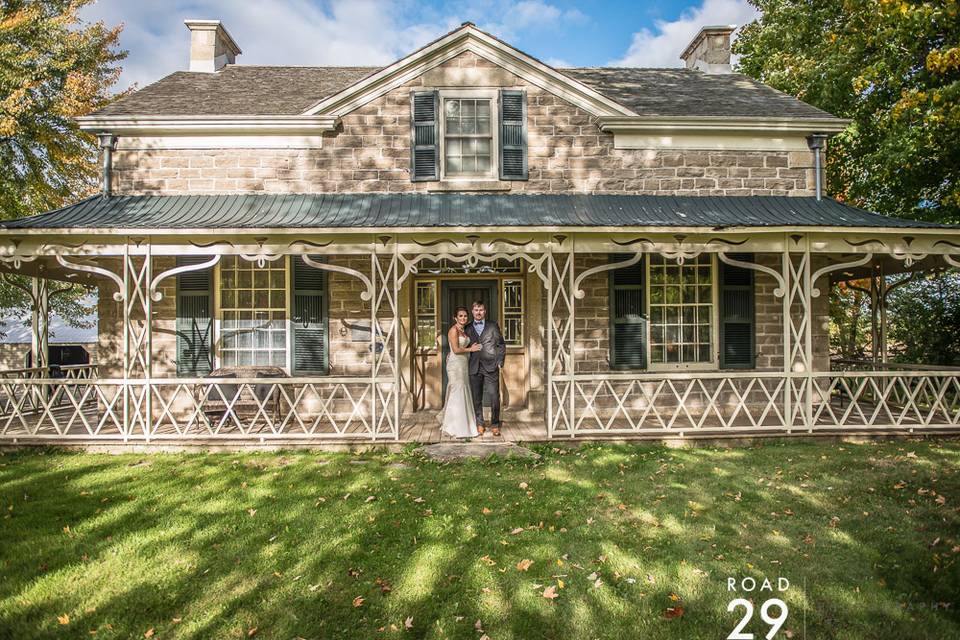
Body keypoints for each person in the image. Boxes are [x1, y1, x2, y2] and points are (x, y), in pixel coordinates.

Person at [438, 306, 482, 439]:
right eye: (460, 316)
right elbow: (456, 350)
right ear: (455, 318)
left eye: (465, 316)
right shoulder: (453, 330)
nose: (463, 318)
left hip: (463, 364)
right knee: (457, 391)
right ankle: (454, 426)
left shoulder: (463, 330)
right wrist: (471, 349)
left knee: (463, 390)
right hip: (455, 364)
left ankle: (465, 423)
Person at [464, 300, 506, 436]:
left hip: (491, 366)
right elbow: (461, 346)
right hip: (474, 366)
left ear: (485, 311)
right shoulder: (467, 327)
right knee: (477, 398)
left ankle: (495, 424)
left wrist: (500, 361)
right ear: (472, 312)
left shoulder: (493, 326)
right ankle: (480, 423)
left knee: (494, 396)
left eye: (481, 310)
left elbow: (501, 344)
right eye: (476, 310)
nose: (478, 312)